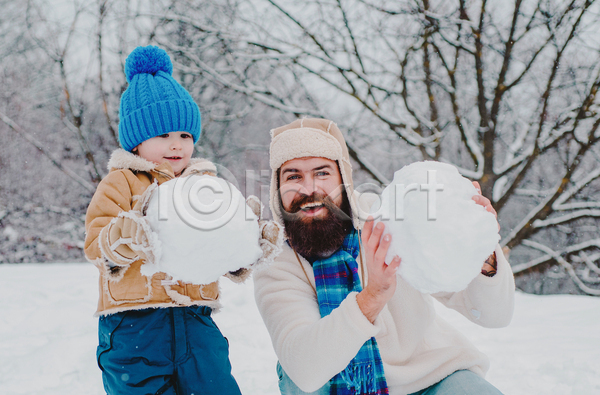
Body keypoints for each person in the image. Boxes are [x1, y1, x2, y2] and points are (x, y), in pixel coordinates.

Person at [253, 118, 515, 395]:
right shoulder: (275, 263)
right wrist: (372, 297)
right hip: (330, 387)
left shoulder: (387, 221)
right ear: (277, 190)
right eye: (293, 176)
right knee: (300, 370)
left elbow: (493, 315)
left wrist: (480, 254)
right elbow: (305, 370)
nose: (309, 189)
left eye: (322, 173)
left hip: (430, 377)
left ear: (343, 179)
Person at [84, 45, 249, 395]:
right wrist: (121, 238)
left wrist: (247, 244)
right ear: (136, 142)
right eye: (163, 135)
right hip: (135, 326)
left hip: (196, 322)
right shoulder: (121, 182)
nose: (176, 145)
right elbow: (97, 241)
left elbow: (220, 243)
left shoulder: (205, 186)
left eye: (185, 136)